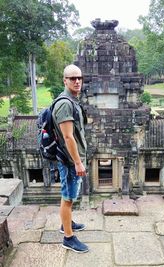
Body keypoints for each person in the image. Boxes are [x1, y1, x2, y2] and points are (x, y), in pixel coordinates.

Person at [52, 64, 88, 253]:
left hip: (70, 158)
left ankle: (66, 223)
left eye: (79, 78)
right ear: (64, 80)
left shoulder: (71, 100)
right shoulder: (65, 103)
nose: (77, 81)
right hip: (69, 160)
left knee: (68, 196)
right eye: (72, 78)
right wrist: (78, 162)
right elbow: (68, 137)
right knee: (68, 197)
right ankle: (68, 238)